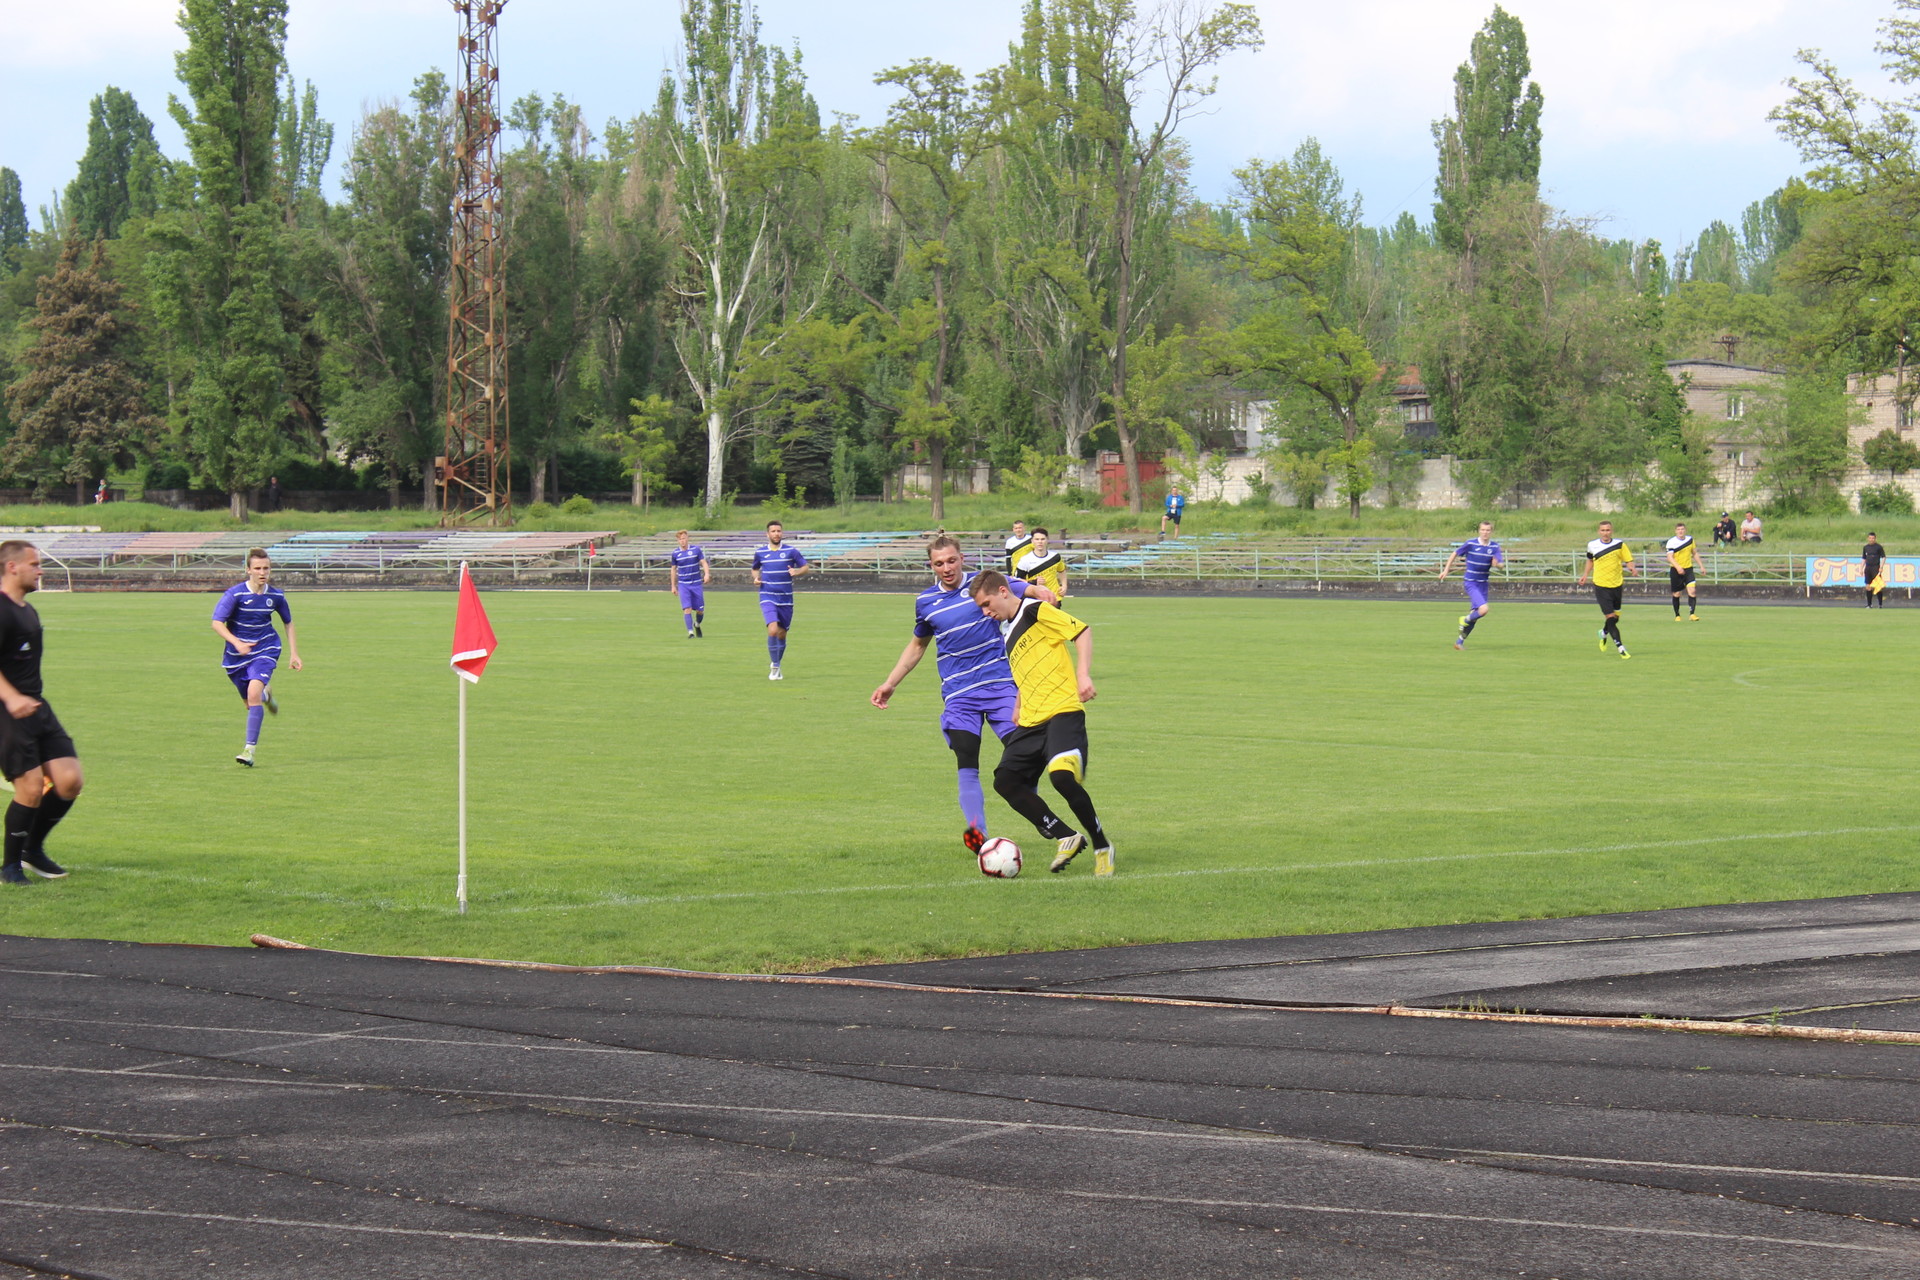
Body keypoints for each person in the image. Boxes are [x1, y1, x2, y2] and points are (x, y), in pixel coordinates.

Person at [870, 536, 1056, 853]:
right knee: (966, 759)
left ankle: (1035, 811)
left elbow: (1025, 589)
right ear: (931, 565)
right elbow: (918, 646)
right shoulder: (926, 603)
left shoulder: (983, 583)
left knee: (1024, 757)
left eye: (952, 560)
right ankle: (977, 831)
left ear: (962, 558)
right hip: (959, 696)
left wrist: (1042, 592)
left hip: (1001, 687)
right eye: (939, 563)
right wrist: (891, 683)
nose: (947, 568)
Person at [970, 570, 1113, 876]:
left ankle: (1102, 846)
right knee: (1005, 782)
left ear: (1003, 591)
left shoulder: (1035, 611)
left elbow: (1081, 631)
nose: (985, 611)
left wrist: (1083, 674)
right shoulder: (1006, 631)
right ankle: (1067, 836)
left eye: (986, 603)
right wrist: (1019, 704)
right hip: (1030, 721)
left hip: (1062, 711)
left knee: (1061, 777)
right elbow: (1026, 670)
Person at [0, 542, 83, 884]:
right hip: (7, 709)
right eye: (34, 564)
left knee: (69, 781)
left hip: (36, 705)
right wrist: (12, 697)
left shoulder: (27, 609)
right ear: (12, 567)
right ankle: (9, 867)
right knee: (31, 788)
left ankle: (32, 849)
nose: (40, 570)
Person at [211, 548, 303, 767]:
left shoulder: (276, 596)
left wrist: (294, 653)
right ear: (248, 570)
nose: (263, 573)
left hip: (266, 649)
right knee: (250, 703)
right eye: (258, 568)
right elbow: (216, 623)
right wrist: (237, 643)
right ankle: (266, 696)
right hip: (235, 657)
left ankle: (249, 751)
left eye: (266, 568)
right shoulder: (235, 595)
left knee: (253, 695)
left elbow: (288, 622)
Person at [751, 520, 809, 680]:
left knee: (782, 634)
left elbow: (805, 567)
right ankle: (775, 666)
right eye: (773, 531)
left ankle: (777, 663)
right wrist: (756, 579)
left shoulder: (791, 551)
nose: (776, 533)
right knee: (772, 630)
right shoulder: (761, 552)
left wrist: (796, 572)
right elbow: (755, 569)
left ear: (781, 533)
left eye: (778, 531)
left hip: (786, 599)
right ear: (767, 534)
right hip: (767, 596)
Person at [1436, 520, 1503, 649]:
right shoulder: (1471, 543)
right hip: (1471, 582)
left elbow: (1500, 564)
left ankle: (1459, 642)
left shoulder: (1494, 547)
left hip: (1483, 584)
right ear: (1479, 531)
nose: (1485, 532)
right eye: (1483, 530)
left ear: (1491, 532)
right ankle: (1464, 620)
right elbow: (1454, 553)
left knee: (1475, 616)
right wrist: (1446, 570)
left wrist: (1497, 565)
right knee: (1484, 610)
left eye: (1488, 530)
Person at [1576, 520, 1635, 660]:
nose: (1605, 533)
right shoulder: (1592, 545)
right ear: (1599, 531)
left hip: (1617, 584)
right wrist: (1585, 575)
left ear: (1611, 531)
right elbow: (1590, 560)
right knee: (1610, 617)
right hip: (1601, 585)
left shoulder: (1619, 545)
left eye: (1607, 530)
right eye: (1603, 530)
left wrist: (1632, 567)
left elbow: (1628, 560)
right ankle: (1621, 647)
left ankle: (1603, 633)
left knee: (1615, 618)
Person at [670, 529, 711, 637]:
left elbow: (703, 562)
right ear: (677, 541)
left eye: (683, 538)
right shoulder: (675, 553)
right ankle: (690, 632)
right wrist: (673, 586)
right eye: (680, 539)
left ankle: (697, 624)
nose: (682, 541)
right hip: (683, 585)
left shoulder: (696, 550)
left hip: (696, 584)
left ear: (687, 538)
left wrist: (706, 574)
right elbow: (673, 569)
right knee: (687, 608)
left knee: (700, 610)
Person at [1014, 527, 1068, 599]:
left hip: (1054, 597)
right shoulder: (1025, 560)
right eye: (1037, 539)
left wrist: (1064, 585)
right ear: (1032, 541)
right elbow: (1017, 581)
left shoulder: (1055, 557)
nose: (1040, 542)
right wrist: (1033, 582)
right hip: (1034, 598)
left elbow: (1062, 571)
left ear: (1047, 540)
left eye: (1043, 539)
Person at [1665, 522, 1702, 621]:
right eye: (1678, 530)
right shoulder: (1671, 542)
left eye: (1682, 529)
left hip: (1688, 569)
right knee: (1677, 594)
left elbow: (1694, 553)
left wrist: (1702, 566)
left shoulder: (1690, 540)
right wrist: (1678, 567)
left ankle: (1692, 614)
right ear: (1676, 531)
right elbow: (1669, 557)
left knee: (1692, 591)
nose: (1680, 531)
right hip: (1676, 570)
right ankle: (1677, 615)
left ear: (1685, 530)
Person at [1863, 531, 1889, 608]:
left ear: (1875, 538)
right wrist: (1861, 568)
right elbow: (1864, 558)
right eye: (1870, 538)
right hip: (1868, 568)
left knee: (1878, 586)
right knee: (1868, 586)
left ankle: (1880, 604)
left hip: (1876, 568)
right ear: (1868, 538)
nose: (1871, 539)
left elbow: (1883, 557)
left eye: (1873, 538)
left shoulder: (1878, 547)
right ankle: (1869, 604)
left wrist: (1881, 567)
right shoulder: (1866, 547)